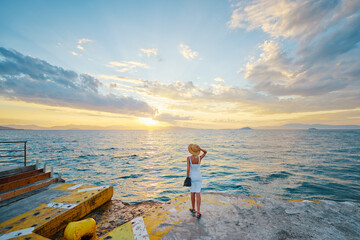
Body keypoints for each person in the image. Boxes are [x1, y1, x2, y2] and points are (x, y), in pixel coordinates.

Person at [187, 144, 207, 218]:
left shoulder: (188, 158)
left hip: (192, 177)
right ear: (197, 151)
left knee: (192, 193)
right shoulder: (199, 158)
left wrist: (187, 177)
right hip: (199, 177)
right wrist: (200, 148)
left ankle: (193, 209)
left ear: (191, 150)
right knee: (198, 194)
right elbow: (205, 152)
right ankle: (198, 212)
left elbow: (188, 169)